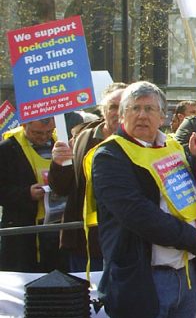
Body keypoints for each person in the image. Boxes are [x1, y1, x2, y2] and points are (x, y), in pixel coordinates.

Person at [89, 81, 196, 318]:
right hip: (141, 281)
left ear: (163, 116)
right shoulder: (109, 155)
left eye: (150, 109)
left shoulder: (173, 148)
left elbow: (193, 198)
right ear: (121, 115)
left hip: (183, 281)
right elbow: (138, 214)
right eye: (135, 108)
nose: (142, 115)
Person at [48, 82, 127, 272]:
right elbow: (62, 188)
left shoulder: (145, 141)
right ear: (103, 110)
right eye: (113, 107)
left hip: (127, 243)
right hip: (87, 244)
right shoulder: (83, 138)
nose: (119, 112)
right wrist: (59, 164)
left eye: (125, 106)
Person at [0, 118, 65, 272]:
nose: (43, 137)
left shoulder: (62, 143)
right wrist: (25, 193)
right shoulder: (7, 149)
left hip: (57, 227)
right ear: (24, 125)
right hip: (23, 232)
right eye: (37, 133)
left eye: (49, 132)